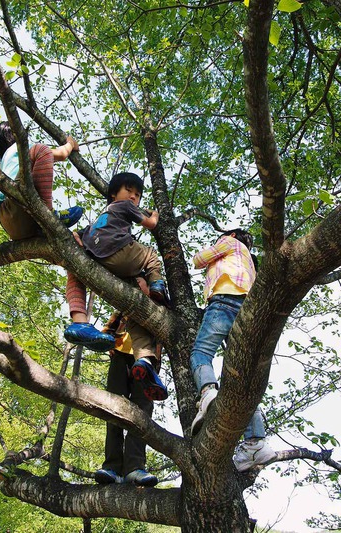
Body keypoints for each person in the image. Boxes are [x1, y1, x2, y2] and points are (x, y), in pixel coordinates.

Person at [0, 121, 115, 352]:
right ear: (13, 135)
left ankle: (80, 323)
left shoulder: (5, 161)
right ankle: (50, 216)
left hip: (15, 223)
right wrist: (70, 144)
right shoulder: (17, 150)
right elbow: (59, 154)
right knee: (42, 150)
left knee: (76, 251)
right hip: (14, 205)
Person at [64, 172, 169, 400]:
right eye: (129, 191)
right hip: (121, 252)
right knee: (150, 255)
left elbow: (76, 237)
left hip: (101, 262)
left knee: (135, 312)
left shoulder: (96, 222)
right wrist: (155, 213)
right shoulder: (123, 206)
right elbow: (151, 224)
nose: (133, 197)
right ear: (114, 194)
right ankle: (157, 284)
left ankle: (144, 360)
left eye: (137, 194)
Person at [189, 228, 276, 472]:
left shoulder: (230, 243)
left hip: (224, 302)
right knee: (242, 380)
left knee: (201, 353)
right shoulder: (251, 264)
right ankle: (256, 442)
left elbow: (199, 260)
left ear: (234, 237)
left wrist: (210, 253)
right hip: (247, 313)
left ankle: (207, 392)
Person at [94, 278, 162, 487]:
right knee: (112, 409)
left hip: (146, 362)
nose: (140, 286)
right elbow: (107, 331)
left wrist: (156, 361)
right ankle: (112, 467)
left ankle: (134, 468)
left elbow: (162, 336)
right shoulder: (125, 304)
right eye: (138, 282)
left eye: (143, 283)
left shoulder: (158, 308)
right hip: (121, 358)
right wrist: (109, 342)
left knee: (141, 414)